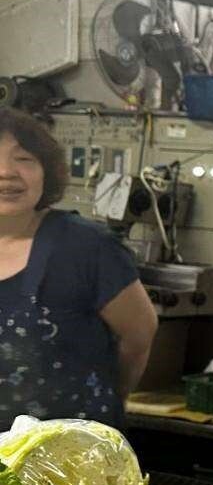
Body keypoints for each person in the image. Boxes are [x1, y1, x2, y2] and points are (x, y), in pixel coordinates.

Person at [0, 110, 157, 430]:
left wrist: (108, 402)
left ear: (47, 172)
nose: (6, 172)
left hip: (71, 461)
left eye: (25, 159)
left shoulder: (87, 247)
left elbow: (139, 334)